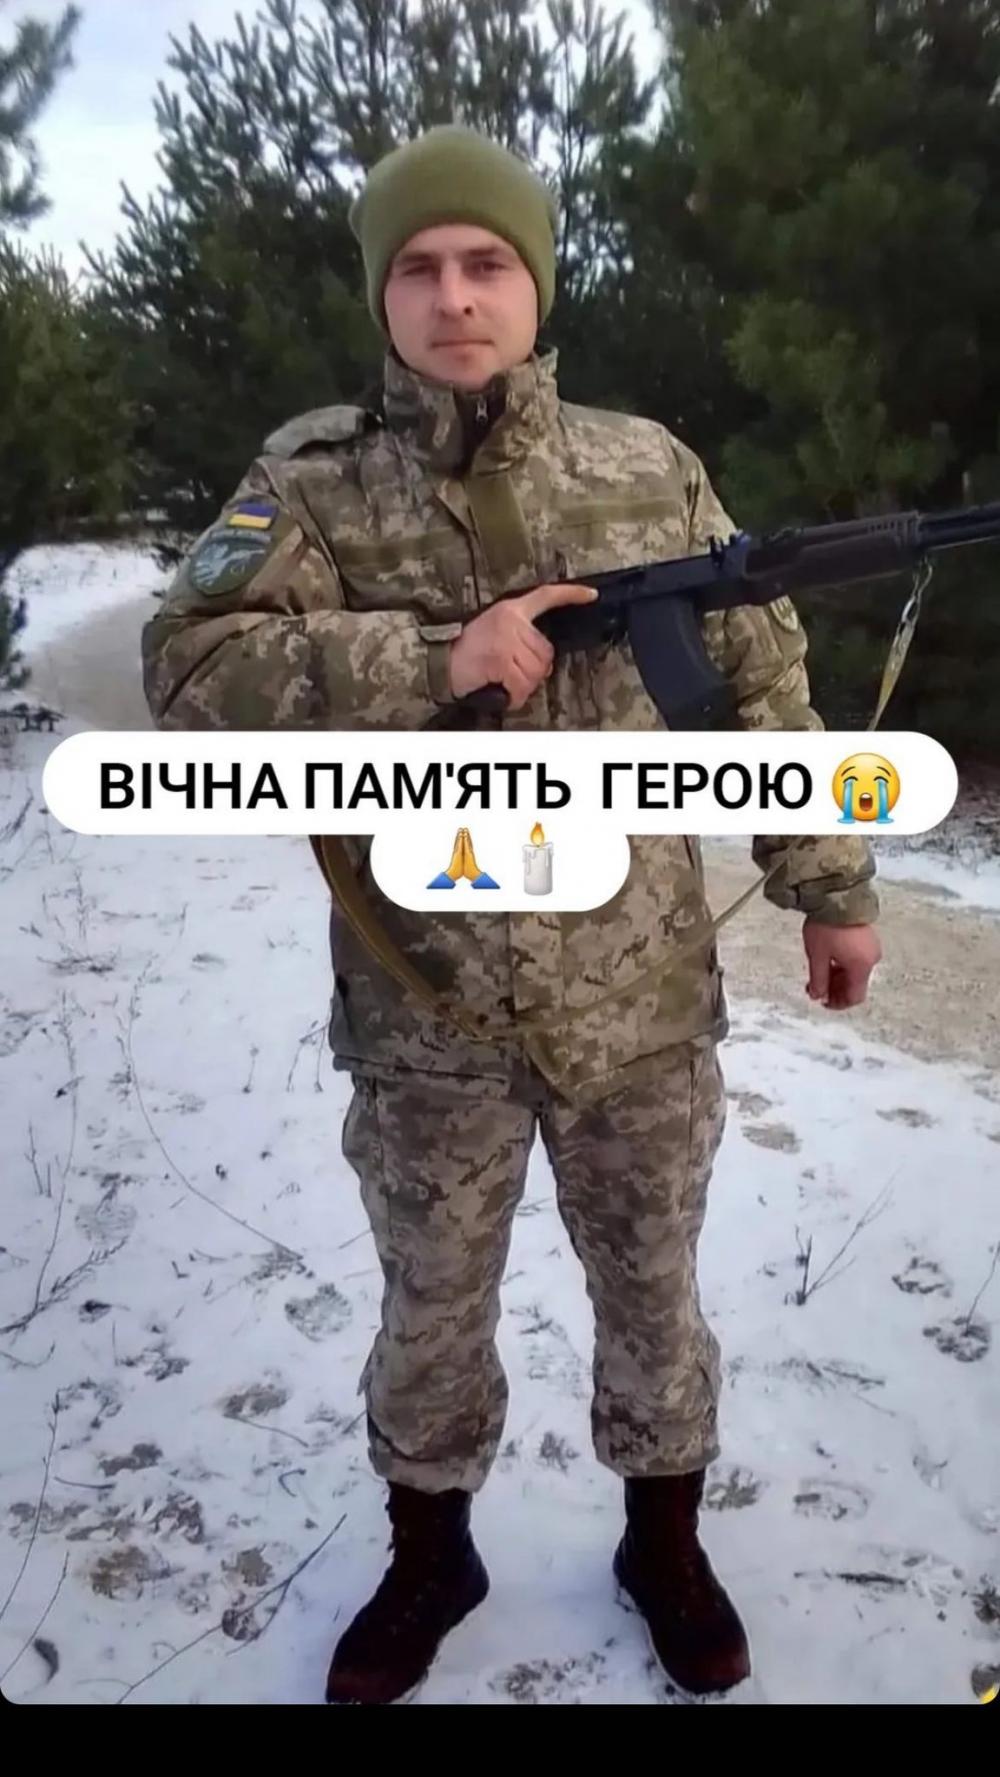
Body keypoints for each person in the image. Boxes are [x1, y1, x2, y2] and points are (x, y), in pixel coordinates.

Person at [141, 124, 882, 1705]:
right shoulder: (311, 480)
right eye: (418, 267)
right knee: (429, 1309)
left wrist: (830, 885)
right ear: (382, 295)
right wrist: (436, 661)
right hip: (427, 1008)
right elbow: (187, 668)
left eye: (488, 263)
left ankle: (663, 1544)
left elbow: (764, 686)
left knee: (654, 1295)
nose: (456, 295)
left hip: (636, 999)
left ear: (538, 284)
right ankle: (431, 1557)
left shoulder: (646, 467)